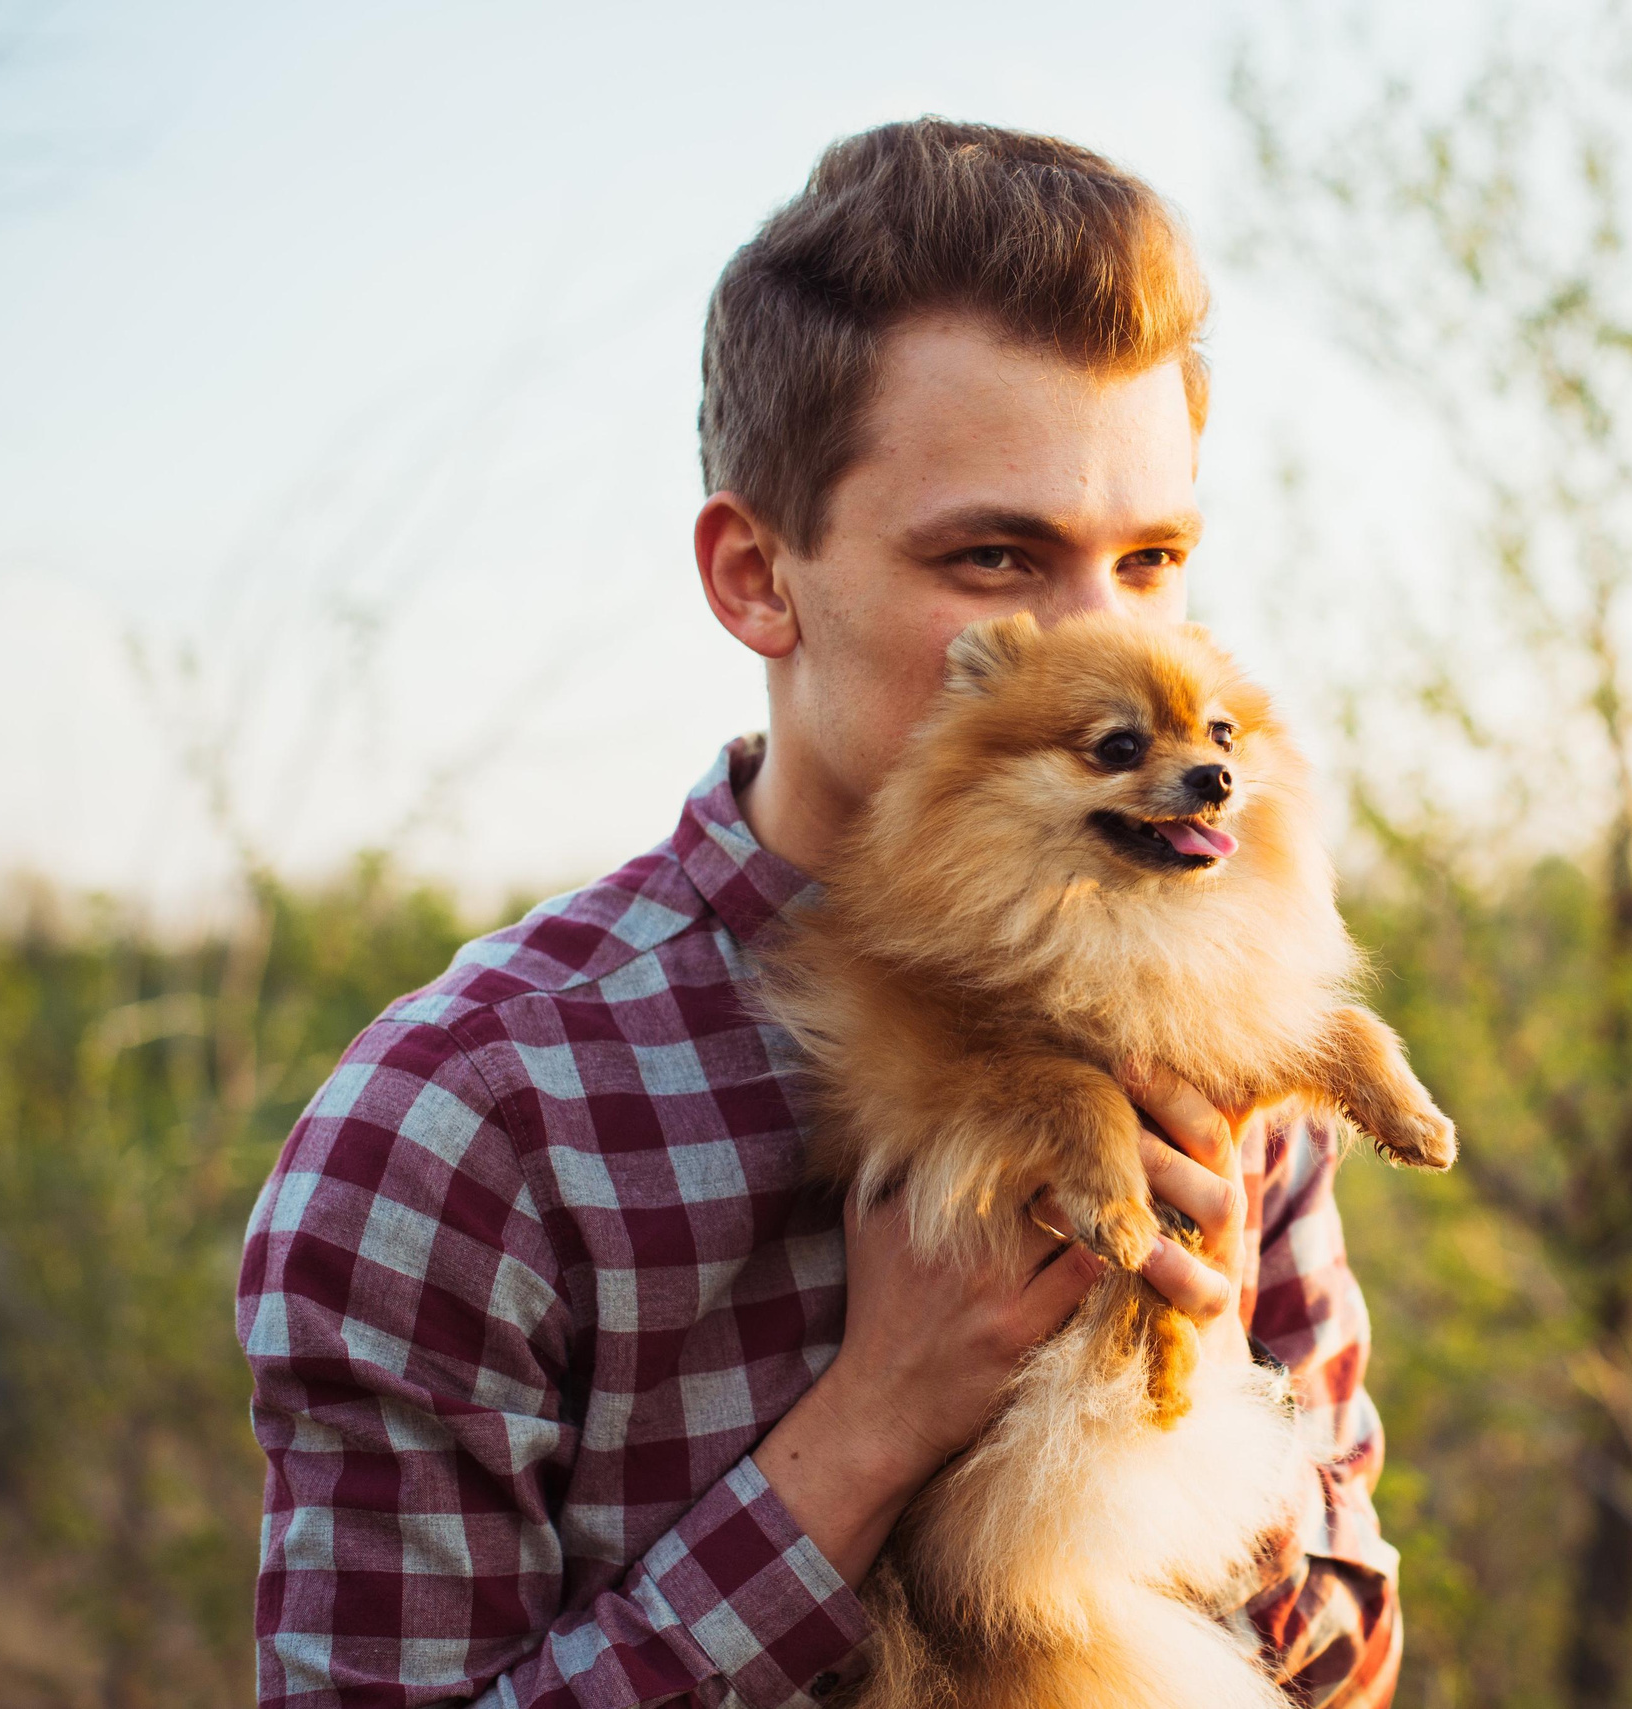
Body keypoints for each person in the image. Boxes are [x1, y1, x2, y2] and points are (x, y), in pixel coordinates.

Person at [237, 119, 1401, 1709]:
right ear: (757, 580)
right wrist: (870, 1430)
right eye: (995, 557)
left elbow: (1339, 1643)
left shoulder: (1212, 1001)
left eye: (1150, 559)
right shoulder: (468, 1129)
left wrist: (1167, 1407)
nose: (1092, 638)